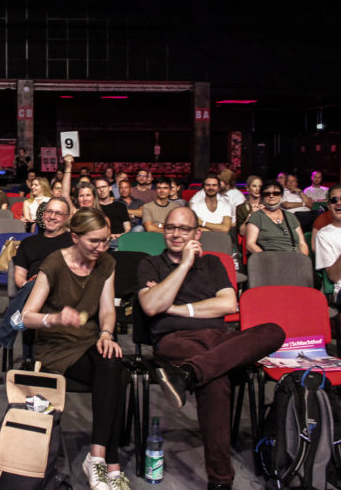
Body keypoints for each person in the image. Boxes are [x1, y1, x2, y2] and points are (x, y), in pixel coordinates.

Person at [138, 206, 286, 490]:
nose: (176, 234)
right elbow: (151, 306)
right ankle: (220, 481)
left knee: (273, 331)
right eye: (170, 227)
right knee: (215, 381)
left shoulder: (213, 263)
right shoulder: (150, 264)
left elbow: (229, 304)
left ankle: (188, 373)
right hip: (175, 340)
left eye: (184, 229)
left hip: (218, 339)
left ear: (197, 233)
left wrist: (175, 307)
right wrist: (183, 265)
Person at [21, 208, 130, 490]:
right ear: (75, 238)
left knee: (114, 363)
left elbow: (107, 310)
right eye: (94, 241)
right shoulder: (55, 263)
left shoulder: (106, 263)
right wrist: (55, 318)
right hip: (56, 346)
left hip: (89, 340)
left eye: (105, 240)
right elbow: (26, 316)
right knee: (117, 376)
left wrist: (106, 333)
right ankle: (111, 466)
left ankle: (97, 458)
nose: (101, 247)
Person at [0, 197, 74, 365]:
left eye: (58, 213)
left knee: (37, 285)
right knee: (33, 287)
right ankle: (27, 359)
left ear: (66, 217)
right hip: (33, 291)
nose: (52, 216)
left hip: (63, 289)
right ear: (43, 214)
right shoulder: (28, 243)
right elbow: (19, 275)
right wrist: (30, 286)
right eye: (49, 211)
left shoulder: (72, 242)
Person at [245, 180, 309, 256]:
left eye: (276, 193)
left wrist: (304, 259)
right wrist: (266, 257)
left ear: (281, 195)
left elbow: (302, 243)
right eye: (267, 194)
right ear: (262, 197)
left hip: (294, 257)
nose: (271, 196)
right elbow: (250, 244)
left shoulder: (290, 216)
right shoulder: (257, 217)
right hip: (269, 258)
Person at [315, 184, 341, 302]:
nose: (339, 203)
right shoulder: (324, 235)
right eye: (334, 200)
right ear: (329, 206)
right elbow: (333, 276)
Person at [95, 178, 130, 248]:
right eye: (98, 188)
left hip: (120, 238)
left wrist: (121, 235)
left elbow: (127, 227)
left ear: (110, 188)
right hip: (103, 239)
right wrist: (109, 236)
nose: (101, 190)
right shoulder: (94, 207)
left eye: (104, 187)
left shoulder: (120, 206)